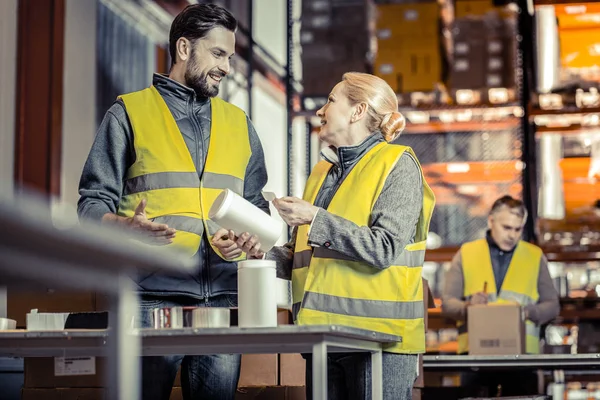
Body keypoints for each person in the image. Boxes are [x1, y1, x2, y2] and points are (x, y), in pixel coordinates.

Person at [77, 4, 269, 400]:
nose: (227, 68)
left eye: (230, 58)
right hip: (149, 296)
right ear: (184, 48)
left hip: (219, 299)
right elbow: (91, 205)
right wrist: (123, 227)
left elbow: (257, 213)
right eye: (218, 54)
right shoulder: (129, 114)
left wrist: (249, 241)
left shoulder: (240, 125)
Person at [233, 72, 436, 400]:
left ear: (357, 111)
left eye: (331, 100)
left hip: (380, 341)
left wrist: (314, 218)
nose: (320, 110)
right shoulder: (322, 174)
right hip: (323, 338)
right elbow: (307, 260)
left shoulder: (397, 165)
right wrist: (259, 252)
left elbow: (384, 247)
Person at [442, 195, 560, 396]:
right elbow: (447, 304)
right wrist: (469, 306)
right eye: (506, 228)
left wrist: (527, 312)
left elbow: (553, 305)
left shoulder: (534, 256)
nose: (512, 235)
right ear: (491, 221)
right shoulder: (467, 253)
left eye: (517, 229)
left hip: (522, 358)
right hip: (475, 358)